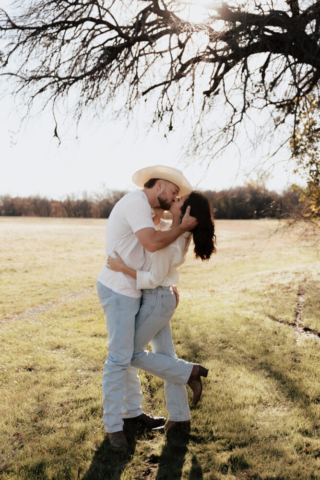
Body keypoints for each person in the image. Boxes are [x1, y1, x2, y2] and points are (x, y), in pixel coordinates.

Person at [97, 166, 198, 451]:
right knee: (120, 358)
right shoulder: (135, 202)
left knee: (126, 355)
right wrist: (182, 227)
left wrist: (164, 283)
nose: (174, 196)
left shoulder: (145, 209)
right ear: (160, 185)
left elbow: (158, 251)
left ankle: (132, 413)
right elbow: (153, 243)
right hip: (120, 290)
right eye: (174, 192)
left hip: (138, 290)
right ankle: (114, 426)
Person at [107, 191, 216, 434]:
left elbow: (152, 278)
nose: (174, 200)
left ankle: (190, 372)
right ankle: (179, 418)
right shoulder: (175, 231)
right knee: (166, 356)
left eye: (178, 201)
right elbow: (155, 228)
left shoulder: (171, 242)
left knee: (129, 354)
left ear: (186, 213)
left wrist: (121, 267)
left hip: (156, 298)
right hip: (162, 297)